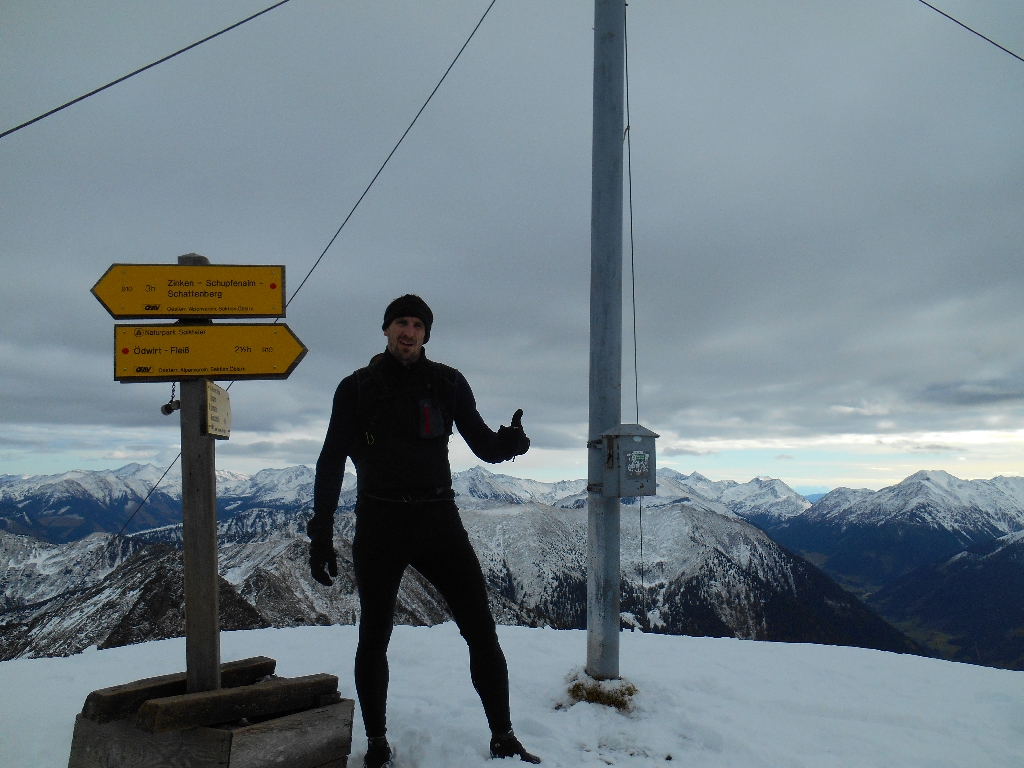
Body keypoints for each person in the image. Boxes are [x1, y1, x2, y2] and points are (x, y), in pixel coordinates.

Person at [308, 294, 542, 768]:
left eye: (417, 325)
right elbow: (331, 460)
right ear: (386, 329)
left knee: (481, 629)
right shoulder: (355, 388)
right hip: (380, 521)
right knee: (374, 636)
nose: (408, 332)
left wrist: (511, 444)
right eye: (401, 322)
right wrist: (322, 533)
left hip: (438, 519)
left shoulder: (448, 382)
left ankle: (503, 737)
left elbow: (483, 444)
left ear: (426, 334)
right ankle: (377, 744)